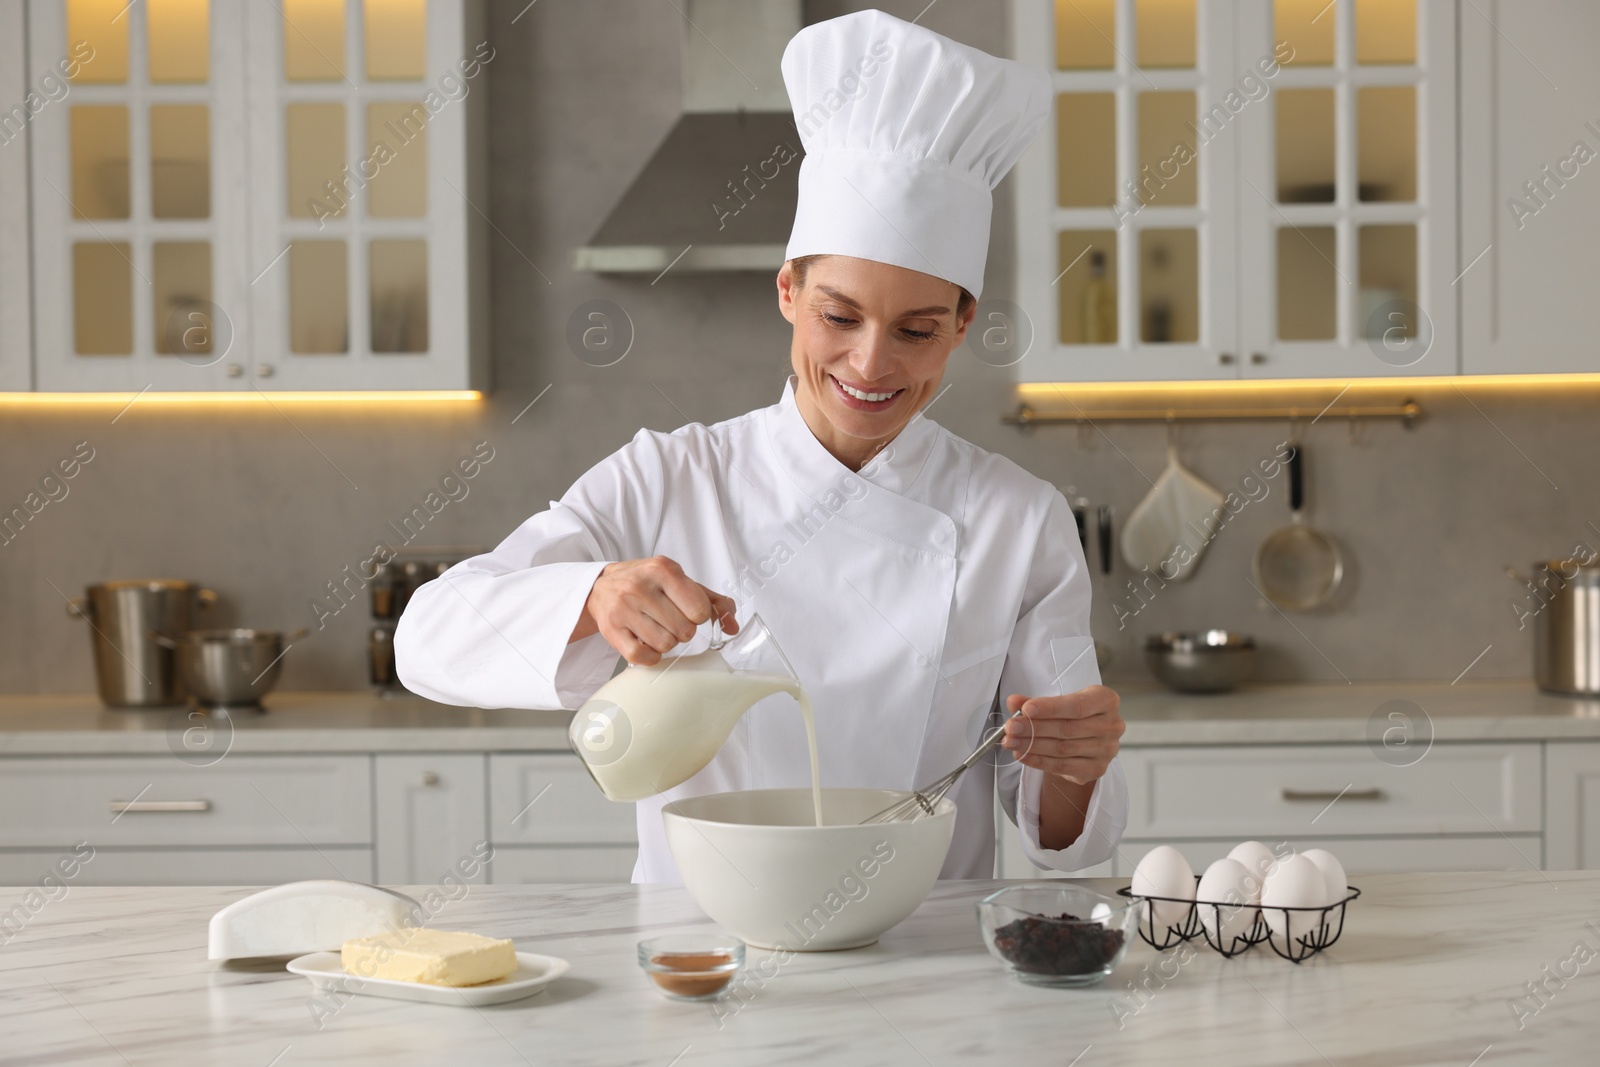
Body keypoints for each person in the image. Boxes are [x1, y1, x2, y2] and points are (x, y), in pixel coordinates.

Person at [395, 8, 1127, 883]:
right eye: (839, 316)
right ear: (788, 289)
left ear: (965, 323)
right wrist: (592, 594)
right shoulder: (668, 478)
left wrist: (1074, 766)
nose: (871, 363)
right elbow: (425, 642)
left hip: (924, 957)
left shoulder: (1018, 520)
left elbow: (1064, 829)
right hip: (698, 955)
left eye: (918, 330)